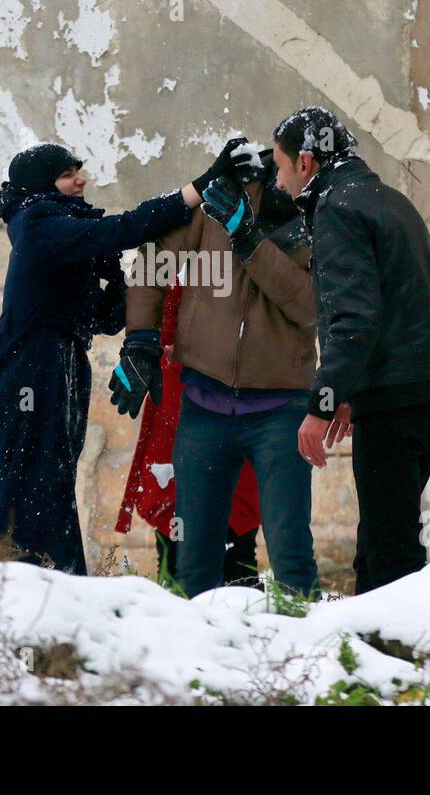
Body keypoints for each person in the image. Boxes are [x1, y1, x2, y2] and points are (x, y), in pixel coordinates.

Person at [0, 143, 222, 586]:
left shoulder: (64, 227)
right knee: (16, 480)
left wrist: (113, 273)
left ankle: (41, 583)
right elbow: (127, 227)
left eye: (78, 170)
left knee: (47, 481)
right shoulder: (38, 222)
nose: (79, 180)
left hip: (61, 368)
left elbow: (103, 318)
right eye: (66, 175)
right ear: (42, 186)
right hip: (31, 370)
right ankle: (0, 584)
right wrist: (197, 189)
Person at [112, 137, 320, 599]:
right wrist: (141, 340)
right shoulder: (223, 197)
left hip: (281, 407)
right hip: (203, 402)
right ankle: (194, 664)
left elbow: (308, 307)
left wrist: (249, 238)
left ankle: (307, 663)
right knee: (194, 560)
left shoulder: (322, 215)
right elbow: (154, 262)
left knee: (290, 556)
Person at [271, 107, 430, 595]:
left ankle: (403, 660)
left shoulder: (337, 207)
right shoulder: (389, 199)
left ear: (306, 163)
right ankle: (374, 656)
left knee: (393, 559)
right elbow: (395, 306)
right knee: (377, 547)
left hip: (396, 406)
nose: (277, 180)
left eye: (280, 166)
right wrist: (350, 393)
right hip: (428, 396)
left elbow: (356, 319)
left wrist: (322, 403)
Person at [114, 281, 262, 589]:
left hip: (240, 395)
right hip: (181, 398)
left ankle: (241, 625)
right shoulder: (186, 255)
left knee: (236, 542)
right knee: (175, 537)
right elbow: (162, 319)